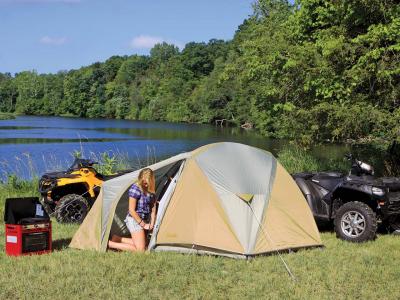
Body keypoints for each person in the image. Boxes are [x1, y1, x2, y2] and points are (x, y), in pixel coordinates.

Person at [108, 168, 156, 252]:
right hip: (134, 220)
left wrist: (152, 224)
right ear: (140, 179)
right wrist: (143, 225)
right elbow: (131, 210)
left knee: (147, 245)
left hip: (144, 220)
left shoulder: (151, 191)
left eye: (147, 183)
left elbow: (153, 208)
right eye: (144, 182)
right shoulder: (136, 188)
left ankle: (117, 238)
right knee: (141, 250)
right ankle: (109, 244)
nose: (145, 185)